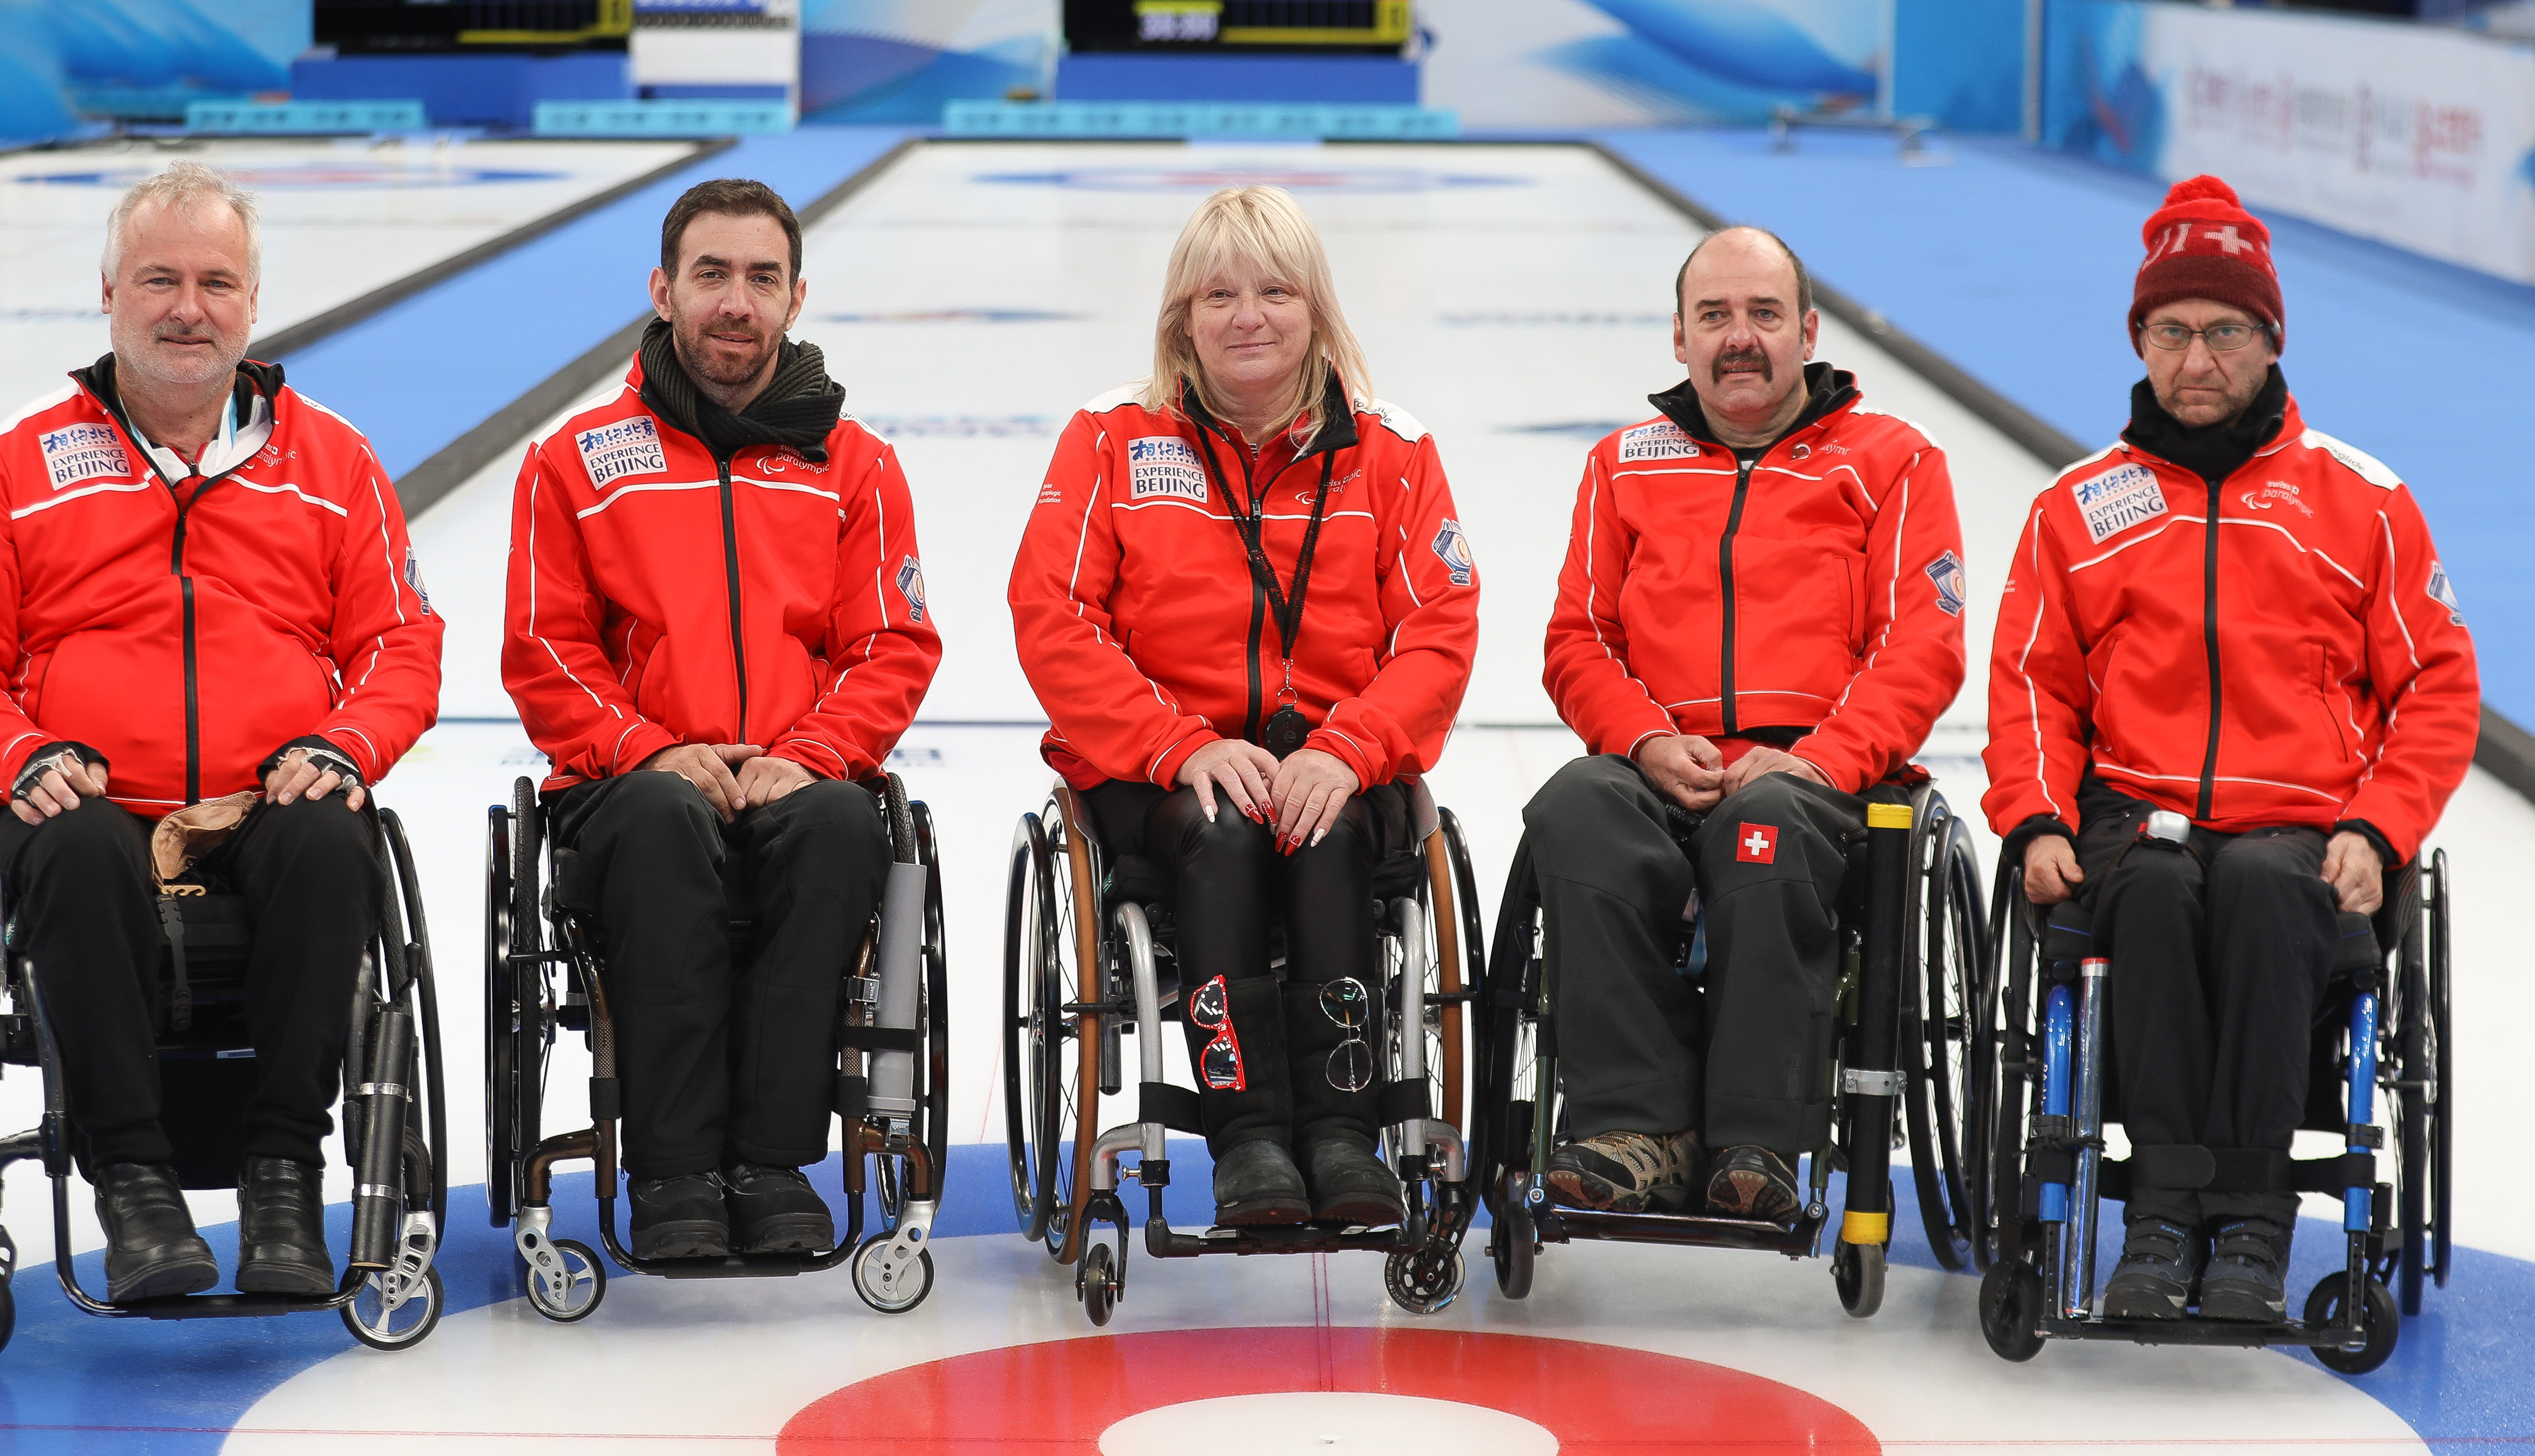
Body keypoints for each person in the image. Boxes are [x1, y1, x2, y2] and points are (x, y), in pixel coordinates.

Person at [0, 162, 444, 1301]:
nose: (187, 307)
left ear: (252, 303)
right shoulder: (19, 463)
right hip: (86, 807)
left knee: (332, 832)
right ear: (109, 293)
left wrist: (347, 744)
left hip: (261, 803)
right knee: (79, 838)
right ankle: (134, 1185)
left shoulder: (334, 462)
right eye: (159, 279)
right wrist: (18, 754)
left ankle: (286, 1168)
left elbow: (402, 643)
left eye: (214, 282)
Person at [1983, 176, 2477, 1322]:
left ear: (2270, 340)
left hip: (2306, 821)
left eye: (2223, 332)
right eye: (2171, 332)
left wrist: (2379, 826)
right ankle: (2158, 1221)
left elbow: (2439, 684)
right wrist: (2036, 816)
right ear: (2138, 341)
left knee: (2261, 881)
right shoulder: (2078, 504)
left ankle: (2252, 1224)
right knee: (2151, 888)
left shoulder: (2362, 501)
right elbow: (2030, 686)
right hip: (2132, 815)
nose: (2195, 359)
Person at [1008, 186, 1478, 1228]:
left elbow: (1439, 628)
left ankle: (1343, 1131)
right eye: (1217, 293)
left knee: (1327, 831)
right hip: (1156, 771)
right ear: (1182, 317)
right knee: (1221, 833)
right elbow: (1051, 613)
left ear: (1316, 309)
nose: (1247, 316)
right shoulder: (1112, 439)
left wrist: (1350, 748)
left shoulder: (1392, 452)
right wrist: (1176, 744)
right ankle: (1250, 1134)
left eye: (1275, 290)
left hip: (1335, 765)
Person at [502, 178, 940, 1260]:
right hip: (631, 789)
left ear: (796, 298)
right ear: (663, 291)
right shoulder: (577, 462)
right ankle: (676, 1169)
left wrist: (816, 755)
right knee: (661, 820)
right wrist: (652, 750)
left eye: (760, 277)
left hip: (799, 777)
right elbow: (544, 649)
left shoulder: (858, 466)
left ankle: (772, 1160)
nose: (735, 301)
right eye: (711, 275)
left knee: (846, 827)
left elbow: (893, 643)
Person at [1522, 226, 1966, 1223]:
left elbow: (1922, 644)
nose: (1739, 338)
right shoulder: (1622, 465)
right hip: (1656, 760)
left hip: (1815, 779)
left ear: (1807, 331)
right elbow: (1576, 637)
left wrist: (1819, 762)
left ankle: (1756, 1138)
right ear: (1677, 339)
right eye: (1714, 316)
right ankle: (1636, 1128)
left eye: (1764, 314)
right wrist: (1639, 738)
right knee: (1572, 808)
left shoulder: (1891, 461)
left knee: (1758, 828)